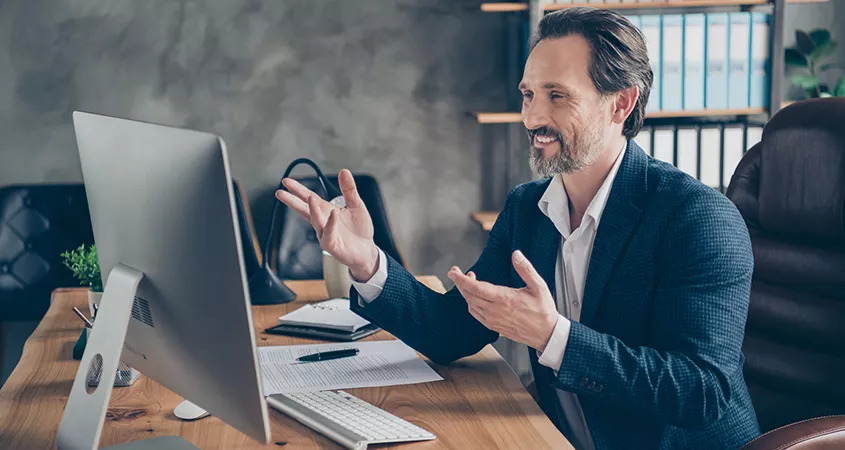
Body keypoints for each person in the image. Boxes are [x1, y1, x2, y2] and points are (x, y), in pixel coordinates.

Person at [275, 7, 760, 450]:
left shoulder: (698, 218)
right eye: (528, 94)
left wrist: (556, 337)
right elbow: (453, 331)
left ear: (621, 103)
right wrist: (366, 261)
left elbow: (701, 392)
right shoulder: (529, 207)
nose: (532, 117)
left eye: (557, 96)